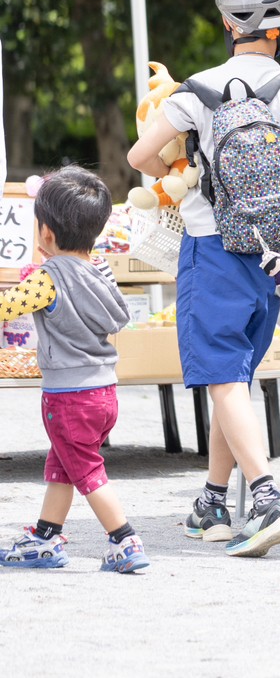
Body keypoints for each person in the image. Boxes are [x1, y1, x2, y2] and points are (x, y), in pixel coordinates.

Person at [129, 0, 280, 558]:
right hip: (271, 258)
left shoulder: (196, 92)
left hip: (211, 249)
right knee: (232, 378)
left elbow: (139, 158)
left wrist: (175, 172)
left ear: (224, 21)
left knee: (219, 378)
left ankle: (266, 498)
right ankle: (214, 500)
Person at [0, 168, 145, 574]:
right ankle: (45, 537)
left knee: (87, 472)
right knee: (64, 464)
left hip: (68, 398)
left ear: (45, 233)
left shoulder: (47, 280)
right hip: (104, 394)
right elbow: (118, 316)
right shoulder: (102, 270)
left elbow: (4, 307)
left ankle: (125, 539)